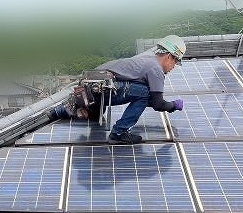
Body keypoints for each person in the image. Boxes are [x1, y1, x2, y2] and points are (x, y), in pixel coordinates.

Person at [50, 35, 186, 145]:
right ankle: (119, 133)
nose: (174, 66)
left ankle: (58, 111)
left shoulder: (147, 59)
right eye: (175, 61)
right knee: (144, 92)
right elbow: (157, 104)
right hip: (101, 89)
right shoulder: (156, 69)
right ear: (169, 56)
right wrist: (174, 105)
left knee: (97, 116)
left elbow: (150, 100)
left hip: (91, 87)